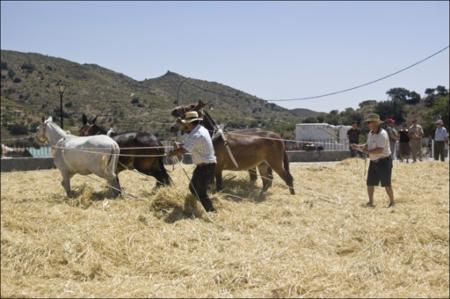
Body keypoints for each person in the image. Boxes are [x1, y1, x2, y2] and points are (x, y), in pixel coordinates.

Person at [168, 111, 217, 212]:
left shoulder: (196, 134)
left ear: (189, 123)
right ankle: (196, 207)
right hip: (204, 166)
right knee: (192, 187)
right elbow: (190, 146)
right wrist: (180, 146)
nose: (184, 125)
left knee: (201, 193)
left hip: (206, 167)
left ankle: (212, 212)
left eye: (185, 123)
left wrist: (172, 153)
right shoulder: (201, 129)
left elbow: (184, 150)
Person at [351, 113, 394, 208]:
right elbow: (367, 145)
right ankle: (370, 202)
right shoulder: (370, 133)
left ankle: (392, 202)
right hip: (374, 161)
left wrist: (366, 151)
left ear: (376, 123)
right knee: (370, 183)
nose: (368, 124)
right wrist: (358, 146)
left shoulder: (382, 134)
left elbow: (380, 150)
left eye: (369, 122)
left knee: (386, 183)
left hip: (384, 161)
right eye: (368, 122)